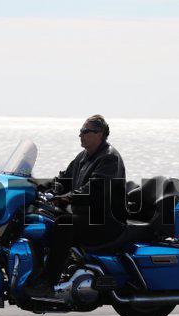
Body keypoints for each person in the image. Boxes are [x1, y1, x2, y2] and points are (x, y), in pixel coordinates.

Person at [24, 115, 126, 297]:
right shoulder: (83, 157)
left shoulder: (109, 158)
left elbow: (95, 189)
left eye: (85, 131)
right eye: (80, 131)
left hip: (104, 221)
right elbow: (63, 179)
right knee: (44, 218)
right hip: (86, 217)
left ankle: (48, 282)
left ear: (99, 134)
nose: (81, 135)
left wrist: (67, 198)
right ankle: (40, 270)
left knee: (64, 224)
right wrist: (39, 188)